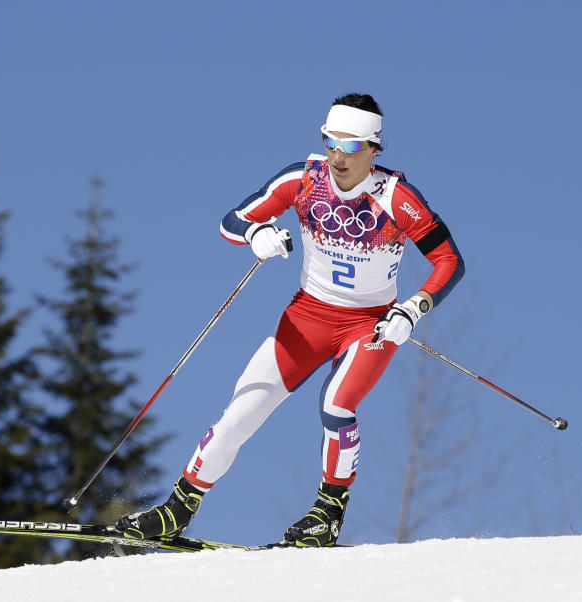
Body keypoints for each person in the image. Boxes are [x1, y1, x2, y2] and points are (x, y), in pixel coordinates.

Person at [113, 93, 464, 547]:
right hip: (307, 317)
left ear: (375, 148)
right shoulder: (303, 179)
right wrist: (256, 234)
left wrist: (413, 309)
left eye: (352, 146)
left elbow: (448, 261)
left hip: (371, 325)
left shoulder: (396, 197)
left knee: (337, 404)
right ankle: (177, 510)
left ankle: (327, 515)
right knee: (241, 412)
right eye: (331, 141)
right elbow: (232, 220)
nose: (339, 155)